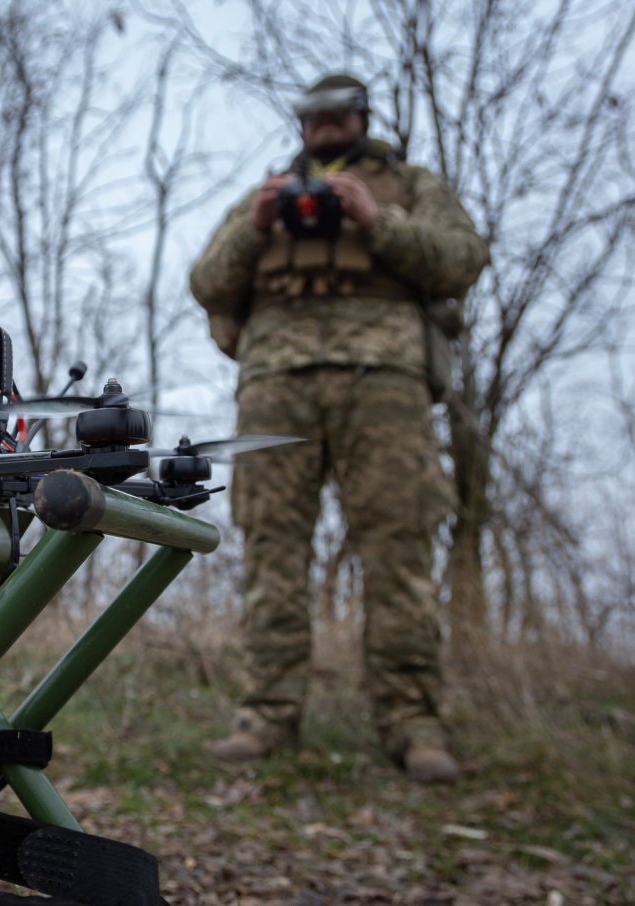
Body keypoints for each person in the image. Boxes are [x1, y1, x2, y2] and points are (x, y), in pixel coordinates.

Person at [189, 74, 489, 782]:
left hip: (384, 377)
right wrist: (253, 225)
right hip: (275, 379)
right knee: (271, 546)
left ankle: (414, 723)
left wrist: (374, 219)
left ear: (360, 118)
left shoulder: (411, 183)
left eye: (337, 115)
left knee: (400, 545)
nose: (325, 126)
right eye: (313, 117)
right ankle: (266, 716)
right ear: (302, 126)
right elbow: (207, 283)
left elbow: (463, 260)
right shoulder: (262, 193)